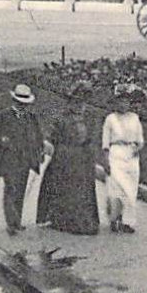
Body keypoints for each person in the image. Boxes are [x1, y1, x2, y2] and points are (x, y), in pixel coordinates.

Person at [36, 89, 101, 235]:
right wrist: (47, 144)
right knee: (64, 188)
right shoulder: (61, 119)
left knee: (82, 190)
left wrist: (91, 156)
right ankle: (63, 221)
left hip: (82, 158)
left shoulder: (88, 120)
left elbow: (91, 139)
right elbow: (51, 136)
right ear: (70, 104)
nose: (79, 106)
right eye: (75, 102)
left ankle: (82, 221)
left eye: (81, 103)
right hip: (64, 157)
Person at [0, 84, 48, 236]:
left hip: (25, 160)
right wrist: (3, 139)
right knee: (11, 189)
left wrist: (40, 152)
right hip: (9, 159)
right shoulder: (4, 116)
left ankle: (17, 221)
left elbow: (38, 137)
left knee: (20, 190)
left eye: (25, 104)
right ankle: (11, 222)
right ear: (14, 101)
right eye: (20, 103)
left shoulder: (31, 118)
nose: (22, 107)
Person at [102, 85, 146, 234]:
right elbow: (105, 143)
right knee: (115, 188)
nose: (123, 104)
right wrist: (106, 160)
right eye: (120, 101)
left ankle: (127, 221)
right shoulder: (110, 119)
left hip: (131, 155)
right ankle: (115, 219)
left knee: (130, 189)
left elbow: (140, 139)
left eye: (126, 101)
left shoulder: (134, 118)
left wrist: (137, 147)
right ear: (115, 102)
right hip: (116, 153)